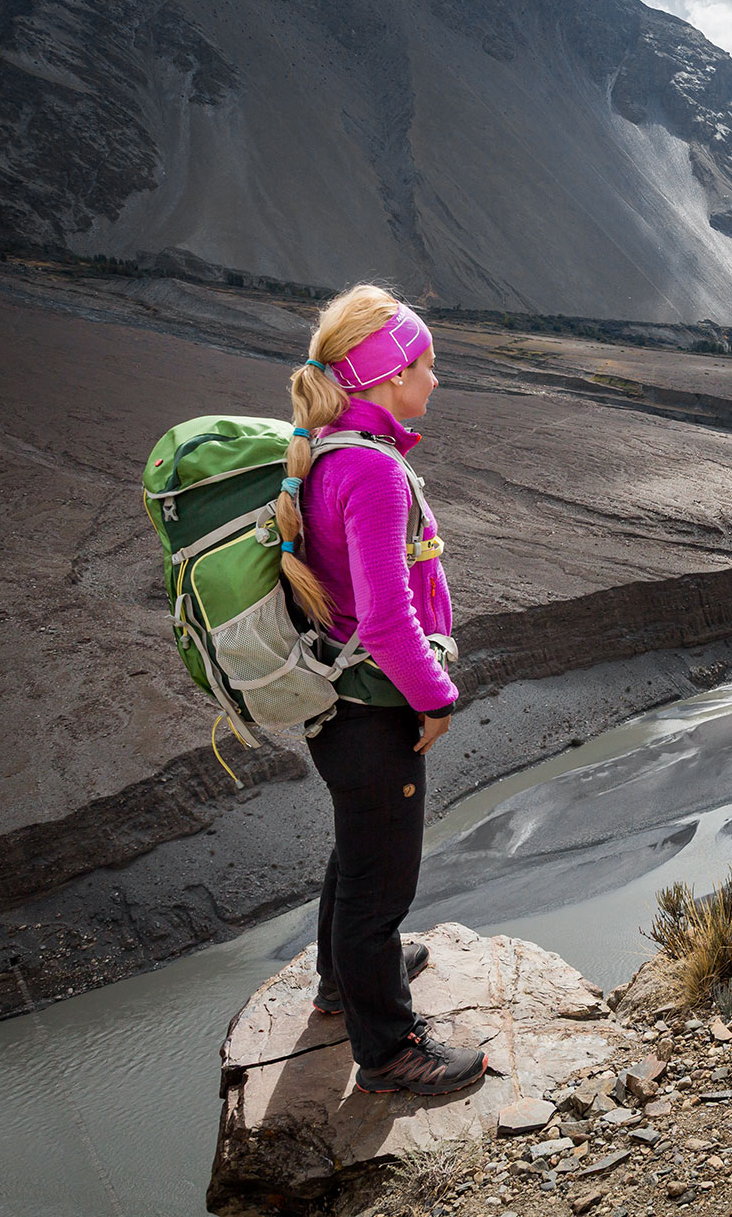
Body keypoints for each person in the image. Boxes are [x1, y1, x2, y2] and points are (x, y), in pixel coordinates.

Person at [275, 284, 486, 1096]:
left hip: (342, 710)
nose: (436, 381)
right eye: (428, 366)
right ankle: (390, 1049)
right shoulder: (373, 471)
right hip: (374, 708)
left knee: (356, 853)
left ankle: (340, 979)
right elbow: (391, 621)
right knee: (381, 884)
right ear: (392, 374)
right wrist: (437, 700)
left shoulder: (331, 452)